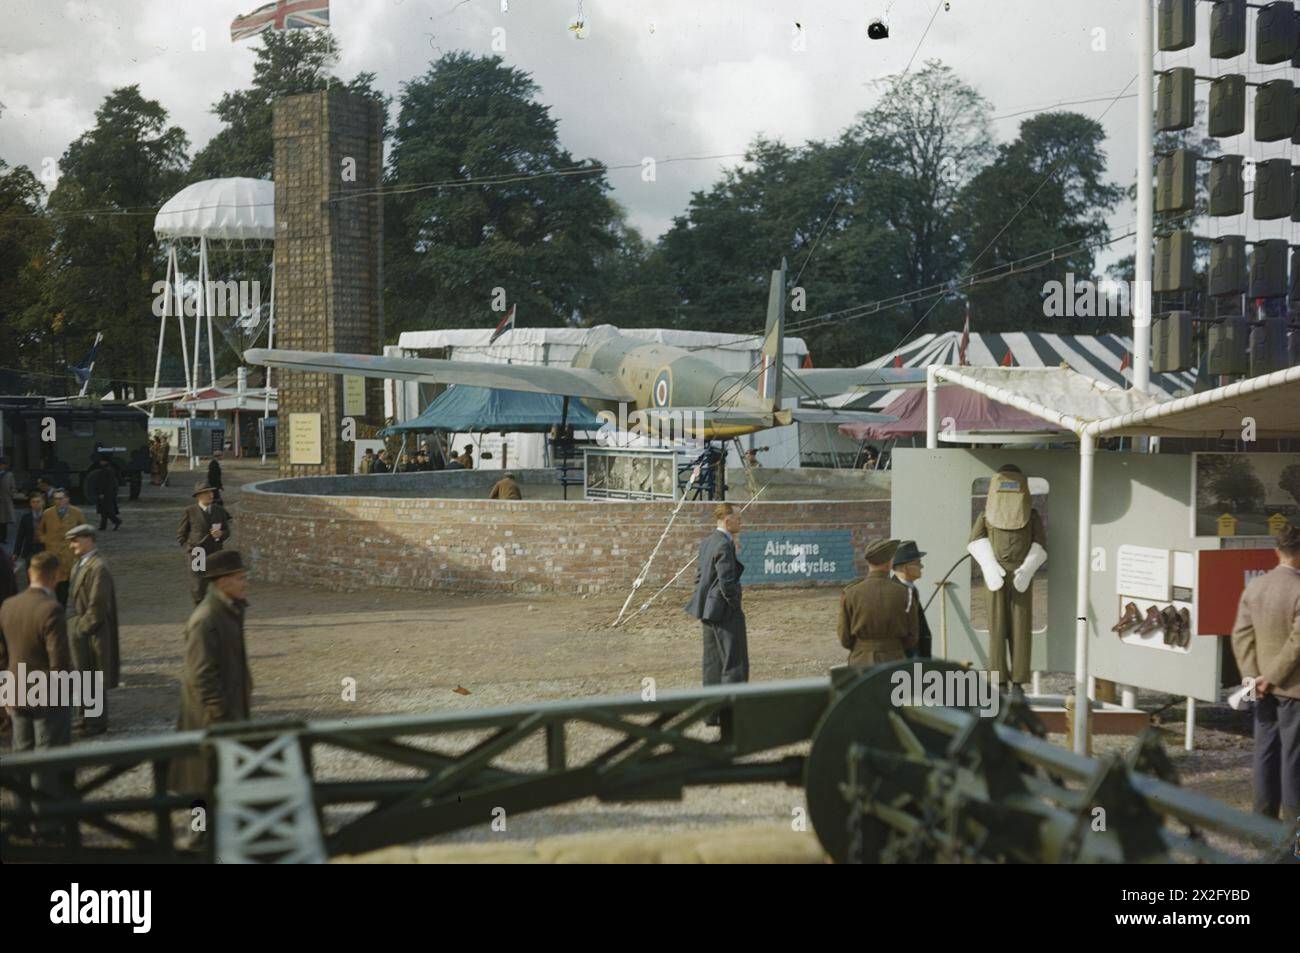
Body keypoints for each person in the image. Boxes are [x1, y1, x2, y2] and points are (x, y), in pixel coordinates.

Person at [168, 550, 253, 819]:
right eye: (239, 578)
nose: (244, 583)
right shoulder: (205, 619)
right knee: (201, 779)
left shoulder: (228, 610)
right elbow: (201, 675)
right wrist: (221, 713)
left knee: (222, 775)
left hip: (228, 711)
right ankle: (197, 840)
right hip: (210, 717)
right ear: (222, 582)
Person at [0, 551, 73, 840]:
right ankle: (45, 825)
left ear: (29, 573)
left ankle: (20, 818)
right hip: (45, 695)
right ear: (54, 576)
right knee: (46, 759)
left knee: (21, 756)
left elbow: (3, 654)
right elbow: (60, 662)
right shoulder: (51, 609)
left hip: (16, 690)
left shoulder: (8, 605)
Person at [1231, 523, 1300, 822]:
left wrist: (1253, 679)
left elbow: (1241, 636)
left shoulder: (1255, 587)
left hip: (1261, 690)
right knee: (1294, 763)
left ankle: (1262, 831)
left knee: (1265, 755)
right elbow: (1297, 642)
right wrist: (1271, 677)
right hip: (1293, 690)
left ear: (1277, 551)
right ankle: (1295, 840)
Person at [685, 503, 749, 719]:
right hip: (723, 612)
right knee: (734, 662)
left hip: (706, 610)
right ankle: (734, 714)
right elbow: (727, 582)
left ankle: (711, 714)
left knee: (712, 663)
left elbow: (698, 576)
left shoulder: (707, 542)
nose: (741, 522)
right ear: (727, 520)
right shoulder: (724, 544)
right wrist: (734, 604)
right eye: (738, 519)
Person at [65, 523, 120, 735]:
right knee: (81, 675)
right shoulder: (79, 564)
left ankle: (96, 723)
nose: (72, 545)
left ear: (88, 539)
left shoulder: (98, 567)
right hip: (79, 630)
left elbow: (97, 606)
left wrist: (80, 628)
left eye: (75, 540)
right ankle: (84, 716)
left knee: (94, 677)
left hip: (91, 632)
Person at [839, 538, 917, 667]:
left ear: (869, 562)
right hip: (895, 660)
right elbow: (912, 637)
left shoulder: (851, 593)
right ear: (889, 563)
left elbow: (845, 638)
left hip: (860, 662)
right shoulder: (905, 593)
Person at [177, 482, 233, 605]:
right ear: (198, 496)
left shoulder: (219, 511)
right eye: (206, 493)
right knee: (198, 584)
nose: (210, 495)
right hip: (197, 552)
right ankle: (200, 609)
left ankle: (214, 610)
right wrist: (189, 548)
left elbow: (227, 530)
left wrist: (221, 534)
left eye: (211, 492)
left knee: (216, 582)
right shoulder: (190, 511)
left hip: (215, 551)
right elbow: (181, 534)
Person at [38, 489, 84, 605]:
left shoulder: (76, 512)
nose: (58, 501)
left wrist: (78, 543)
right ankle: (59, 604)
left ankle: (66, 603)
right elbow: (40, 530)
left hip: (70, 553)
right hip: (53, 552)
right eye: (56, 499)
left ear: (67, 499)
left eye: (60, 498)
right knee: (56, 581)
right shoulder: (47, 513)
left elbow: (83, 529)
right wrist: (45, 540)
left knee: (69, 581)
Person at [892, 540, 932, 659]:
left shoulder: (909, 588)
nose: (921, 566)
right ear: (905, 568)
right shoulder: (894, 593)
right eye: (918, 563)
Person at [13, 491, 46, 587]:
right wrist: (16, 552)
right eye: (33, 502)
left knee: (44, 572)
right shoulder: (26, 518)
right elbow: (20, 536)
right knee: (31, 574)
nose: (36, 504)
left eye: (38, 501)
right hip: (30, 549)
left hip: (44, 547)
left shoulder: (48, 516)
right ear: (30, 504)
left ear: (43, 502)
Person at [85, 457, 122, 531]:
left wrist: (102, 492)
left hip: (106, 494)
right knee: (104, 511)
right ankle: (103, 526)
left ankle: (116, 521)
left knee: (106, 510)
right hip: (107, 493)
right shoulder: (108, 470)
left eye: (102, 461)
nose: (100, 462)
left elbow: (105, 483)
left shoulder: (106, 470)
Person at [0, 457, 15, 545]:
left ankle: (3, 538)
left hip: (5, 500)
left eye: (3, 465)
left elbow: (13, 487)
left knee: (3, 521)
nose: (2, 466)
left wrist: (10, 494)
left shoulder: (9, 475)